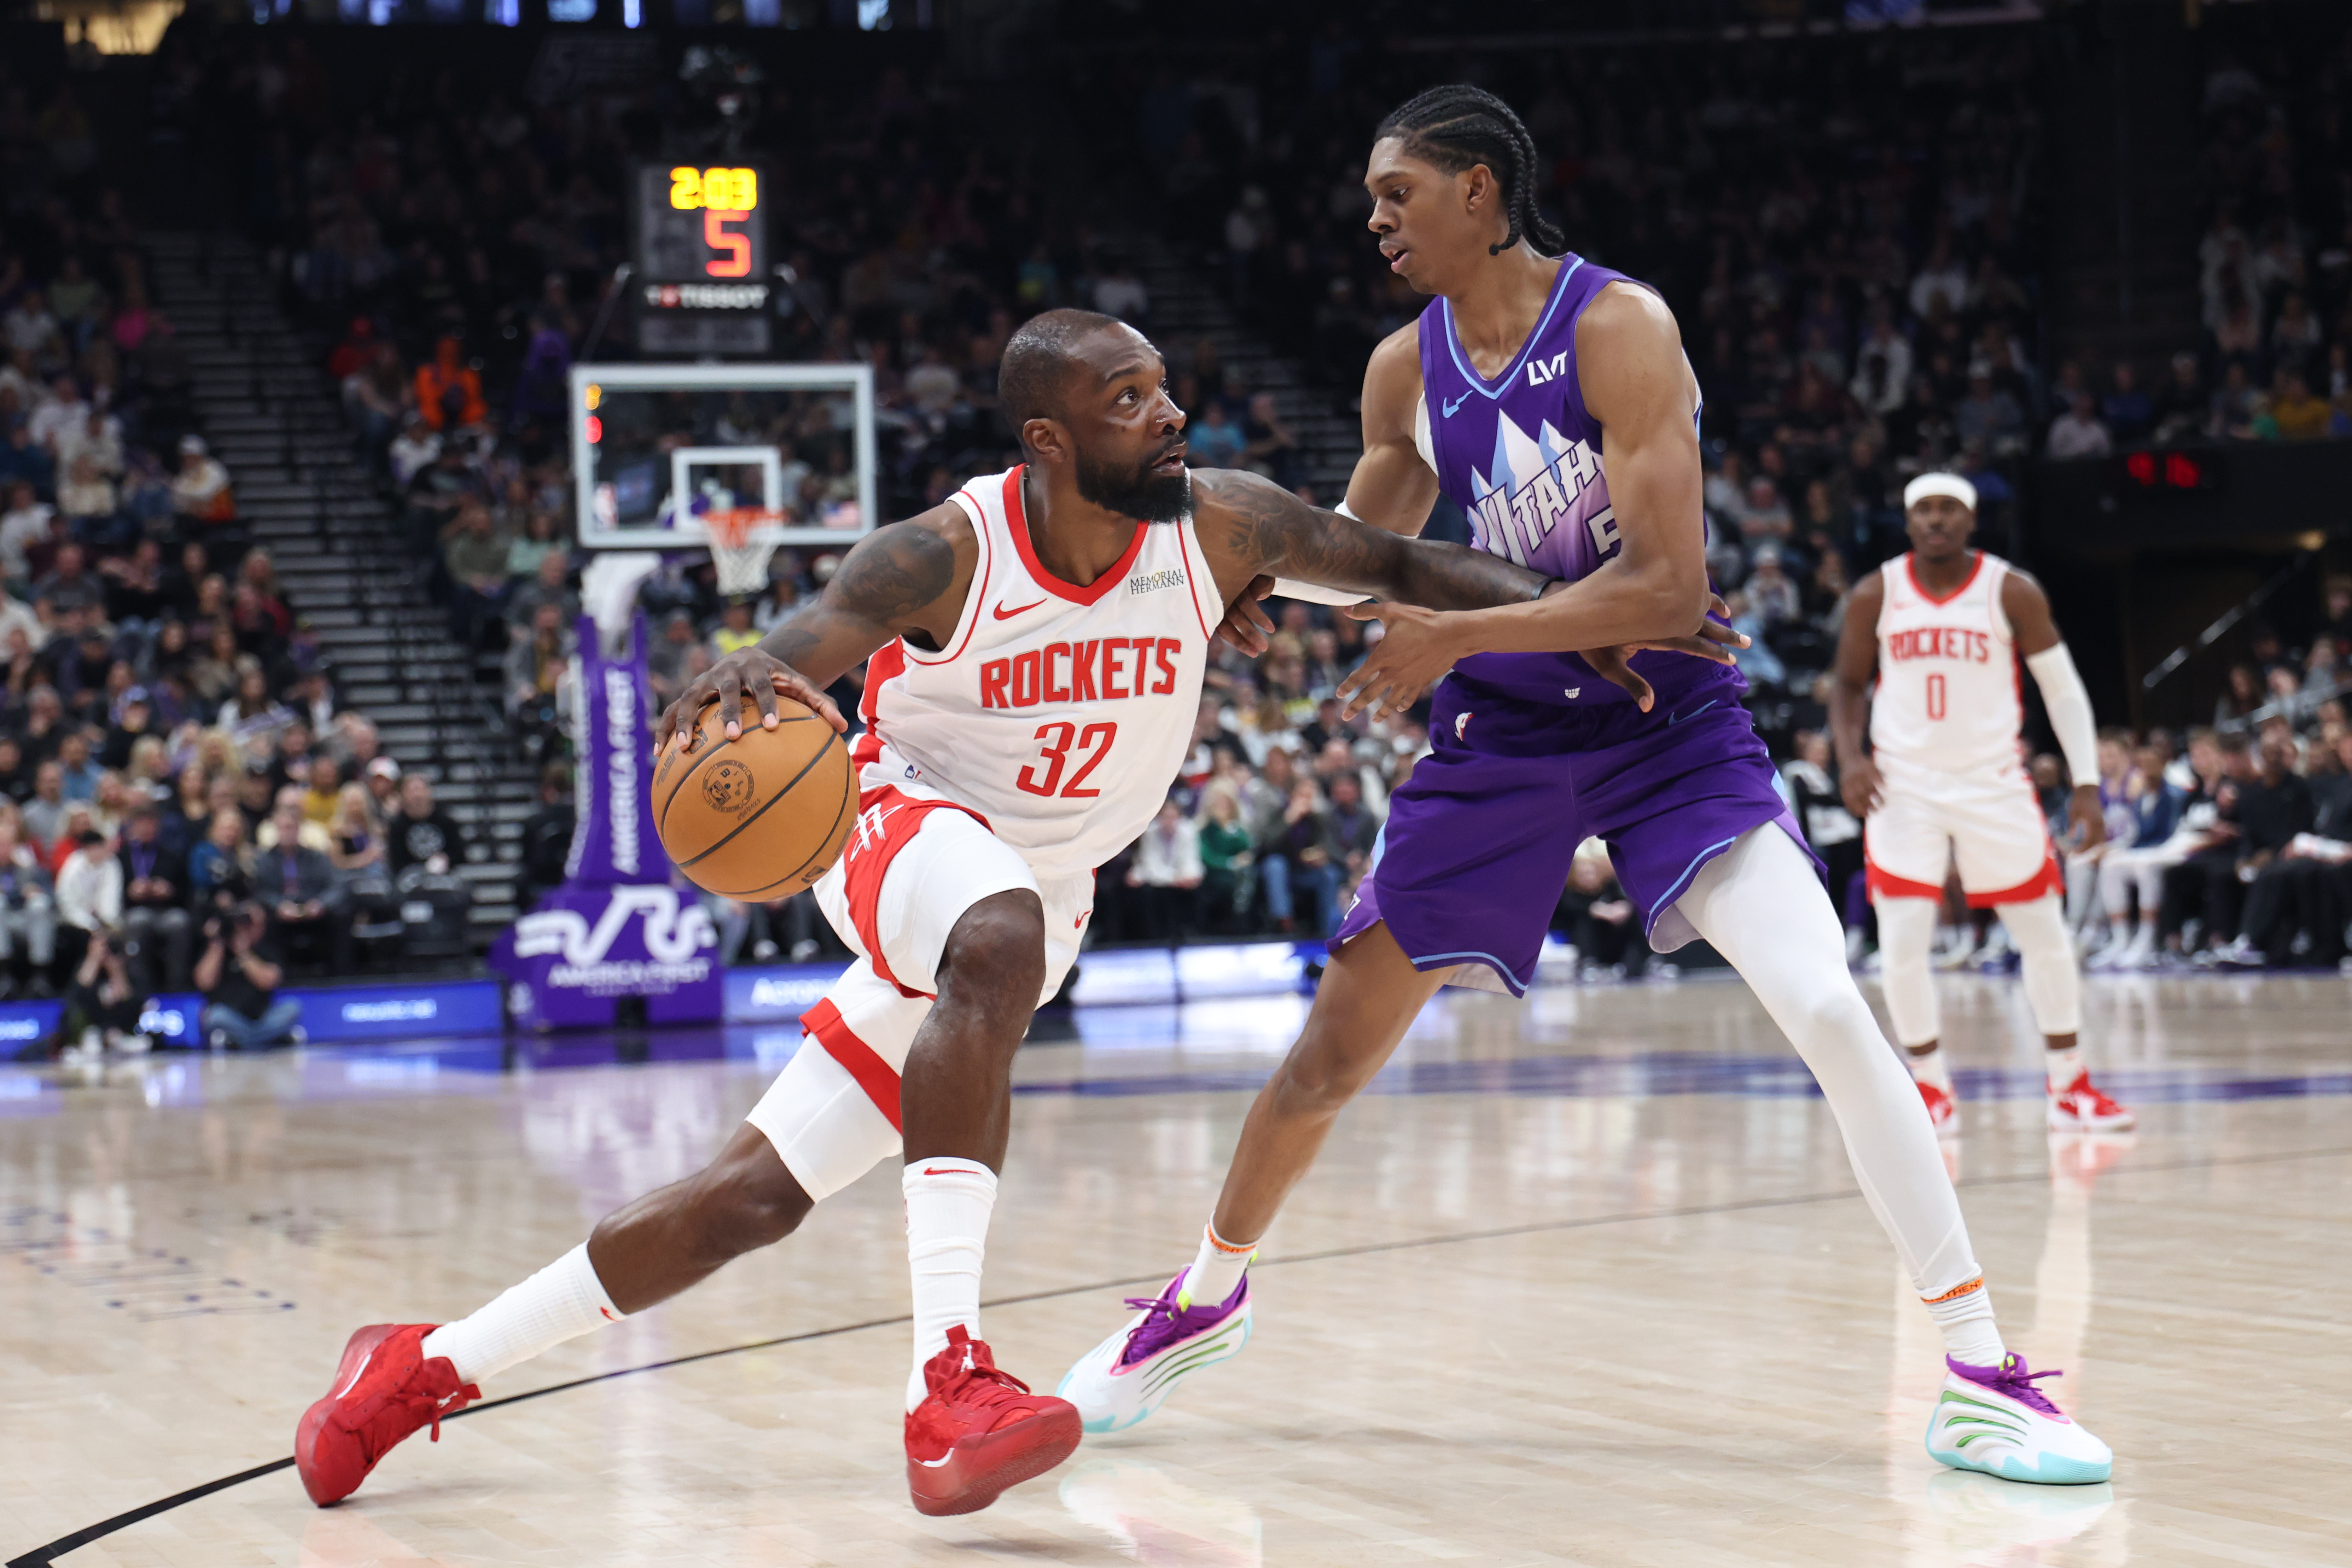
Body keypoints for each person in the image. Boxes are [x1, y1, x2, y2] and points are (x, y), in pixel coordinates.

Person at [291, 306, 1646, 1517]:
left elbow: (1402, 568)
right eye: (1129, 399)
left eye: (1163, 387)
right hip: (894, 820)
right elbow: (790, 653)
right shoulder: (943, 553)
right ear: (1048, 441)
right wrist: (740, 675)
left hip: (1041, 890)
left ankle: (418, 1366)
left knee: (749, 1202)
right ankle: (948, 1383)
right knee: (987, 933)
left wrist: (1586, 608)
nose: (1167, 412)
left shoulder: (1223, 524)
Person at [1057, 86, 2109, 1486]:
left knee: (1825, 1006)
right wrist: (1229, 577)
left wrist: (1461, 631)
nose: (1373, 220)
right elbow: (1360, 546)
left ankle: (1978, 1367)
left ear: (1481, 191)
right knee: (1326, 1057)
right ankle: (1204, 1296)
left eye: (1396, 193)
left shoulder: (1619, 328)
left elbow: (1671, 589)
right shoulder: (1400, 371)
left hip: (1667, 728)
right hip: (1498, 743)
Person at [1826, 473, 2135, 1137]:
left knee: (2044, 935)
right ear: (1908, 523)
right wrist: (1850, 759)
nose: (1935, 521)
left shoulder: (2010, 589)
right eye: (1923, 511)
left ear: (1970, 520)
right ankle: (1929, 1090)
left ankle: (2069, 1085)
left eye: (1948, 510)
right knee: (1902, 942)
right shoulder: (1876, 592)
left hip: (1993, 781)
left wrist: (2086, 784)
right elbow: (1848, 686)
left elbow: (2065, 692)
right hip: (1903, 786)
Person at [194, 900, 301, 1050]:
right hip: (229, 1016)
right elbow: (204, 982)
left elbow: (269, 981)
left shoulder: (266, 951)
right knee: (214, 1016)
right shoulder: (216, 949)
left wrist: (244, 953)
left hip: (262, 1017)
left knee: (292, 1008)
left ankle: (246, 1040)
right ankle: (265, 1040)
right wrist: (217, 942)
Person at [118, 806, 191, 993]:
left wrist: (170, 891)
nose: (145, 829)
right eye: (140, 824)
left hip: (166, 910)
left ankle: (177, 985)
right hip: (134, 910)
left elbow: (186, 892)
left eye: (150, 824)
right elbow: (113, 893)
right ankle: (140, 987)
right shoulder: (122, 857)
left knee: (179, 922)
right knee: (138, 921)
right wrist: (130, 893)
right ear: (132, 828)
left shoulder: (172, 855)